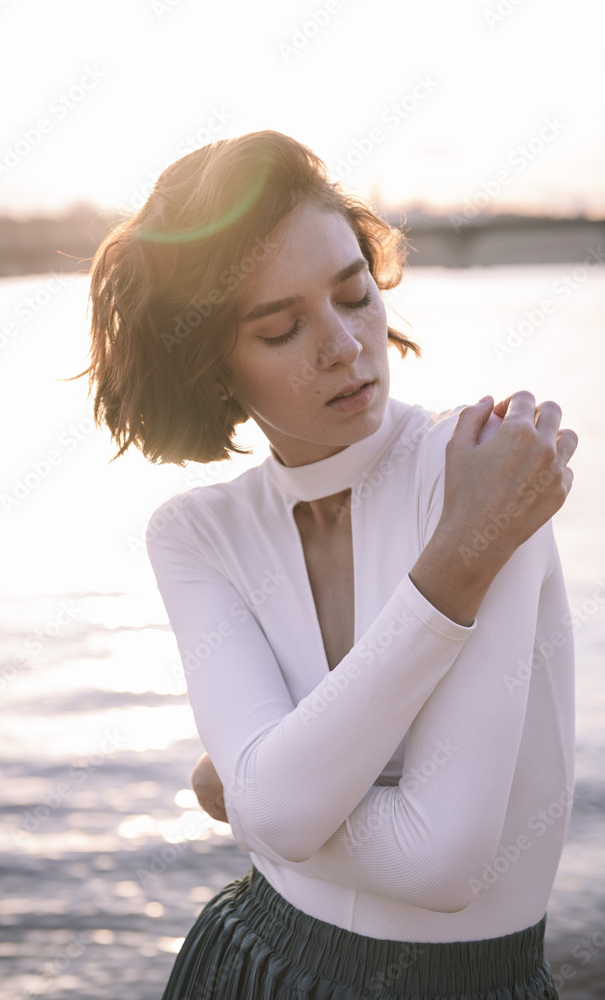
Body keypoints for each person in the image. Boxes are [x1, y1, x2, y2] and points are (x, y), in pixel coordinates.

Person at [84, 129, 578, 999]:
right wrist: (459, 561)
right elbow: (275, 811)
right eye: (280, 329)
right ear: (214, 369)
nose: (345, 346)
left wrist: (243, 784)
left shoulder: (484, 469)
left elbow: (441, 862)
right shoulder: (198, 535)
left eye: (354, 294)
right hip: (249, 963)